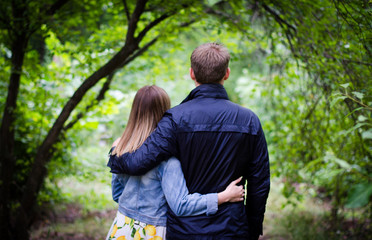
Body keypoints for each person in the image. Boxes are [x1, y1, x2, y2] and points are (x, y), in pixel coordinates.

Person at [108, 43, 270, 240]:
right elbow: (259, 183)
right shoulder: (249, 120)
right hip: (232, 228)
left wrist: (115, 154)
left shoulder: (174, 119)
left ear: (192, 73)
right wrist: (251, 230)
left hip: (185, 230)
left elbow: (137, 162)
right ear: (226, 74)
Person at [106, 85, 245, 240]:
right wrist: (223, 196)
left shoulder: (119, 147)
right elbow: (181, 206)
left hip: (121, 228)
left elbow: (117, 194)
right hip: (152, 233)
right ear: (164, 112)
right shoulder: (166, 160)